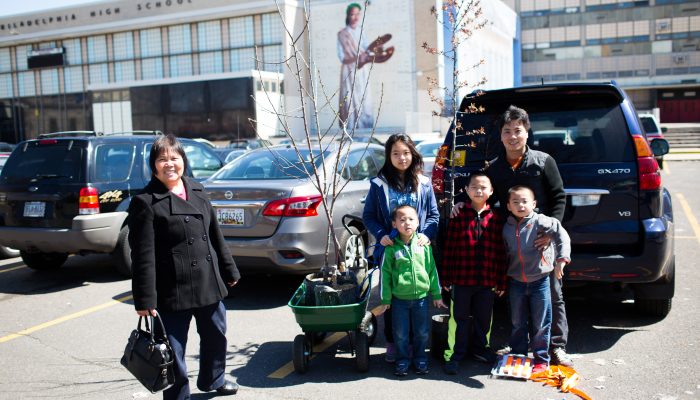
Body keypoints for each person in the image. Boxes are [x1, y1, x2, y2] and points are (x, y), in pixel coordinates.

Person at [129, 134, 241, 399]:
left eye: (174, 158)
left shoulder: (197, 189)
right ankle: (178, 396)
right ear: (153, 165)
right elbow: (142, 255)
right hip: (172, 290)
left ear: (183, 161)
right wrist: (144, 299)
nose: (169, 164)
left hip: (207, 283)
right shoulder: (145, 202)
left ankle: (214, 380)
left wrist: (229, 269)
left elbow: (214, 234)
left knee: (216, 336)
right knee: (173, 350)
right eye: (162, 159)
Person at [486, 105, 572, 367]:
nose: (513, 136)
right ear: (500, 135)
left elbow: (559, 197)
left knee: (553, 296)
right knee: (517, 300)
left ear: (527, 131)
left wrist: (549, 231)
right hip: (513, 243)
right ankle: (520, 349)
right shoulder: (494, 167)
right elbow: (486, 200)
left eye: (518, 131)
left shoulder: (543, 161)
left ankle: (556, 347)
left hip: (541, 240)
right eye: (507, 131)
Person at [363, 133, 440, 363]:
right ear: (389, 156)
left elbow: (434, 215)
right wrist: (381, 234)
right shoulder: (379, 184)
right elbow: (368, 216)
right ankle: (392, 342)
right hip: (390, 250)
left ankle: (417, 349)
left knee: (417, 300)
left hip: (416, 251)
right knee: (390, 298)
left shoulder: (424, 183)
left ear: (413, 154)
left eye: (406, 152)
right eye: (395, 153)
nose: (401, 157)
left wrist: (426, 235)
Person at [441, 172, 507, 375]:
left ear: (491, 191)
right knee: (458, 318)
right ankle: (454, 354)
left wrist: (501, 281)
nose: (479, 191)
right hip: (461, 279)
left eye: (483, 187)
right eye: (474, 187)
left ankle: (481, 349)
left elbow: (500, 252)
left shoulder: (496, 218)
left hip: (487, 281)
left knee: (484, 318)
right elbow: (449, 248)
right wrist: (446, 277)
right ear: (467, 190)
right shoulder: (458, 216)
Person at [503, 185, 571, 374]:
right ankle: (519, 354)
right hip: (516, 281)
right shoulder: (506, 226)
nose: (520, 205)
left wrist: (561, 261)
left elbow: (562, 236)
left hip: (540, 281)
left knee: (541, 323)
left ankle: (541, 358)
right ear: (508, 206)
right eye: (515, 202)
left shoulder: (542, 221)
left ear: (534, 203)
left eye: (525, 201)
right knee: (517, 322)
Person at [376, 205, 446, 376]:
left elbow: (432, 270)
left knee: (422, 332)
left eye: (411, 219)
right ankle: (402, 360)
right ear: (394, 224)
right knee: (400, 334)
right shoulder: (391, 248)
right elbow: (384, 275)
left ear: (418, 223)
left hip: (422, 299)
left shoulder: (424, 245)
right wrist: (385, 299)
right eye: (402, 219)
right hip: (399, 300)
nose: (407, 223)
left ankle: (421, 358)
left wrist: (436, 294)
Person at [337, 2, 373, 129]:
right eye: (353, 14)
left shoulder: (361, 31)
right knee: (349, 100)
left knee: (364, 99)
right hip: (349, 70)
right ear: (348, 16)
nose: (356, 17)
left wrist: (368, 55)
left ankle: (363, 125)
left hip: (361, 70)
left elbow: (367, 49)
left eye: (358, 14)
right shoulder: (342, 34)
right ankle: (350, 126)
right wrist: (356, 58)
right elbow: (342, 56)